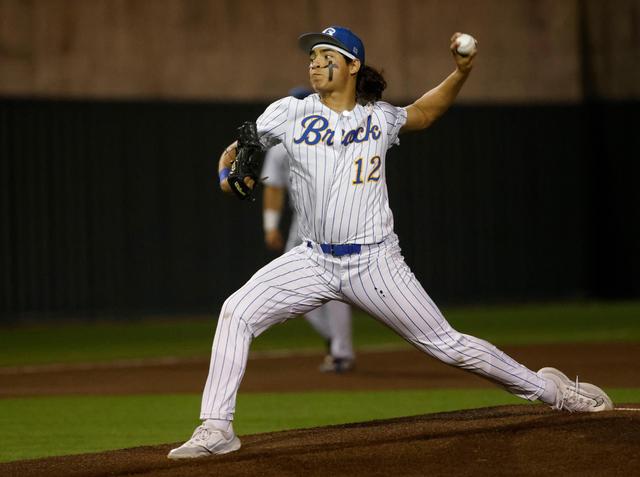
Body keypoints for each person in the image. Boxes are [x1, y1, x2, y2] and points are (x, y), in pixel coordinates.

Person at [168, 26, 613, 459]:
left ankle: (553, 391)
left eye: (328, 57)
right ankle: (217, 427)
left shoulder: (379, 118)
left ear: (353, 65)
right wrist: (227, 178)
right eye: (312, 57)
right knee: (237, 310)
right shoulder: (288, 111)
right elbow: (234, 155)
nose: (316, 63)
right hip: (312, 260)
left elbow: (426, 112)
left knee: (448, 345)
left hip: (375, 263)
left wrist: (460, 72)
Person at [261, 86, 355, 373]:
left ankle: (340, 349)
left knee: (336, 286)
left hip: (337, 220)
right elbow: (273, 187)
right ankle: (335, 341)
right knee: (297, 288)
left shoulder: (335, 136)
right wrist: (270, 226)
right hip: (302, 224)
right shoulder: (280, 146)